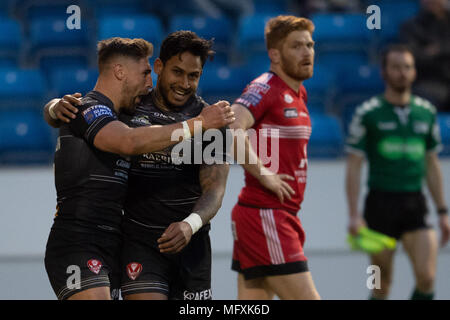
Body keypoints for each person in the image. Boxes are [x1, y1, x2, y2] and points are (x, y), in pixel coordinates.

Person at [43, 36, 234, 300]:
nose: (184, 83)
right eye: (177, 72)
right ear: (159, 67)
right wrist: (54, 107)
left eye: (194, 75)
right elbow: (124, 138)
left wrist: (190, 225)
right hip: (127, 244)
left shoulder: (212, 120)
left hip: (187, 247)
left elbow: (215, 189)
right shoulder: (126, 109)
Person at [345, 44, 450, 300]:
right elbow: (354, 165)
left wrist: (443, 211)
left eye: (407, 67)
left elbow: (431, 163)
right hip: (380, 205)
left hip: (415, 202)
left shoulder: (426, 112)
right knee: (382, 286)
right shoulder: (368, 113)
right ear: (384, 72)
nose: (402, 73)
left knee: (427, 277)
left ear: (414, 72)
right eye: (395, 67)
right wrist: (354, 214)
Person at [228, 15, 320, 300]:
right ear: (274, 54)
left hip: (274, 215)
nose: (307, 52)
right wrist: (264, 173)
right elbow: (233, 127)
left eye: (310, 44)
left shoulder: (298, 92)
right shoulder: (265, 87)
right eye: (296, 46)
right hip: (266, 215)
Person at [400, 0, 450, 112]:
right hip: (428, 83)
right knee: (422, 101)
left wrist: (436, 51)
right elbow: (413, 58)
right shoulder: (411, 26)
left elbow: (427, 54)